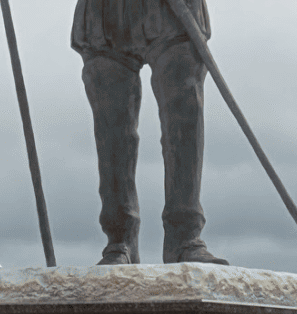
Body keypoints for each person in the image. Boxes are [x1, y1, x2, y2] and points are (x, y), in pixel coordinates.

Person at [71, 0, 229, 266]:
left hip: (172, 11)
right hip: (106, 12)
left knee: (183, 109)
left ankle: (185, 236)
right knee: (112, 126)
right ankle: (119, 240)